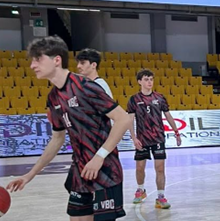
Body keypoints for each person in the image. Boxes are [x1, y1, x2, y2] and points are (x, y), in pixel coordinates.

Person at [7, 36, 133, 221]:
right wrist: (29, 175)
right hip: (80, 171)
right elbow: (57, 139)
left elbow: (123, 119)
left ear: (56, 60)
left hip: (105, 169)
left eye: (38, 59)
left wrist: (99, 157)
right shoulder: (53, 98)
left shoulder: (86, 87)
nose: (33, 65)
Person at [128, 69, 182, 209]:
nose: (149, 82)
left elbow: (168, 116)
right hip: (142, 139)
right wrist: (134, 138)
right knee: (140, 168)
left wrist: (176, 132)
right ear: (139, 81)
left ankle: (160, 197)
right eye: (146, 79)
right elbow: (129, 120)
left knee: (160, 169)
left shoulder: (160, 97)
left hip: (158, 138)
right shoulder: (134, 99)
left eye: (151, 79)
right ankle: (141, 190)